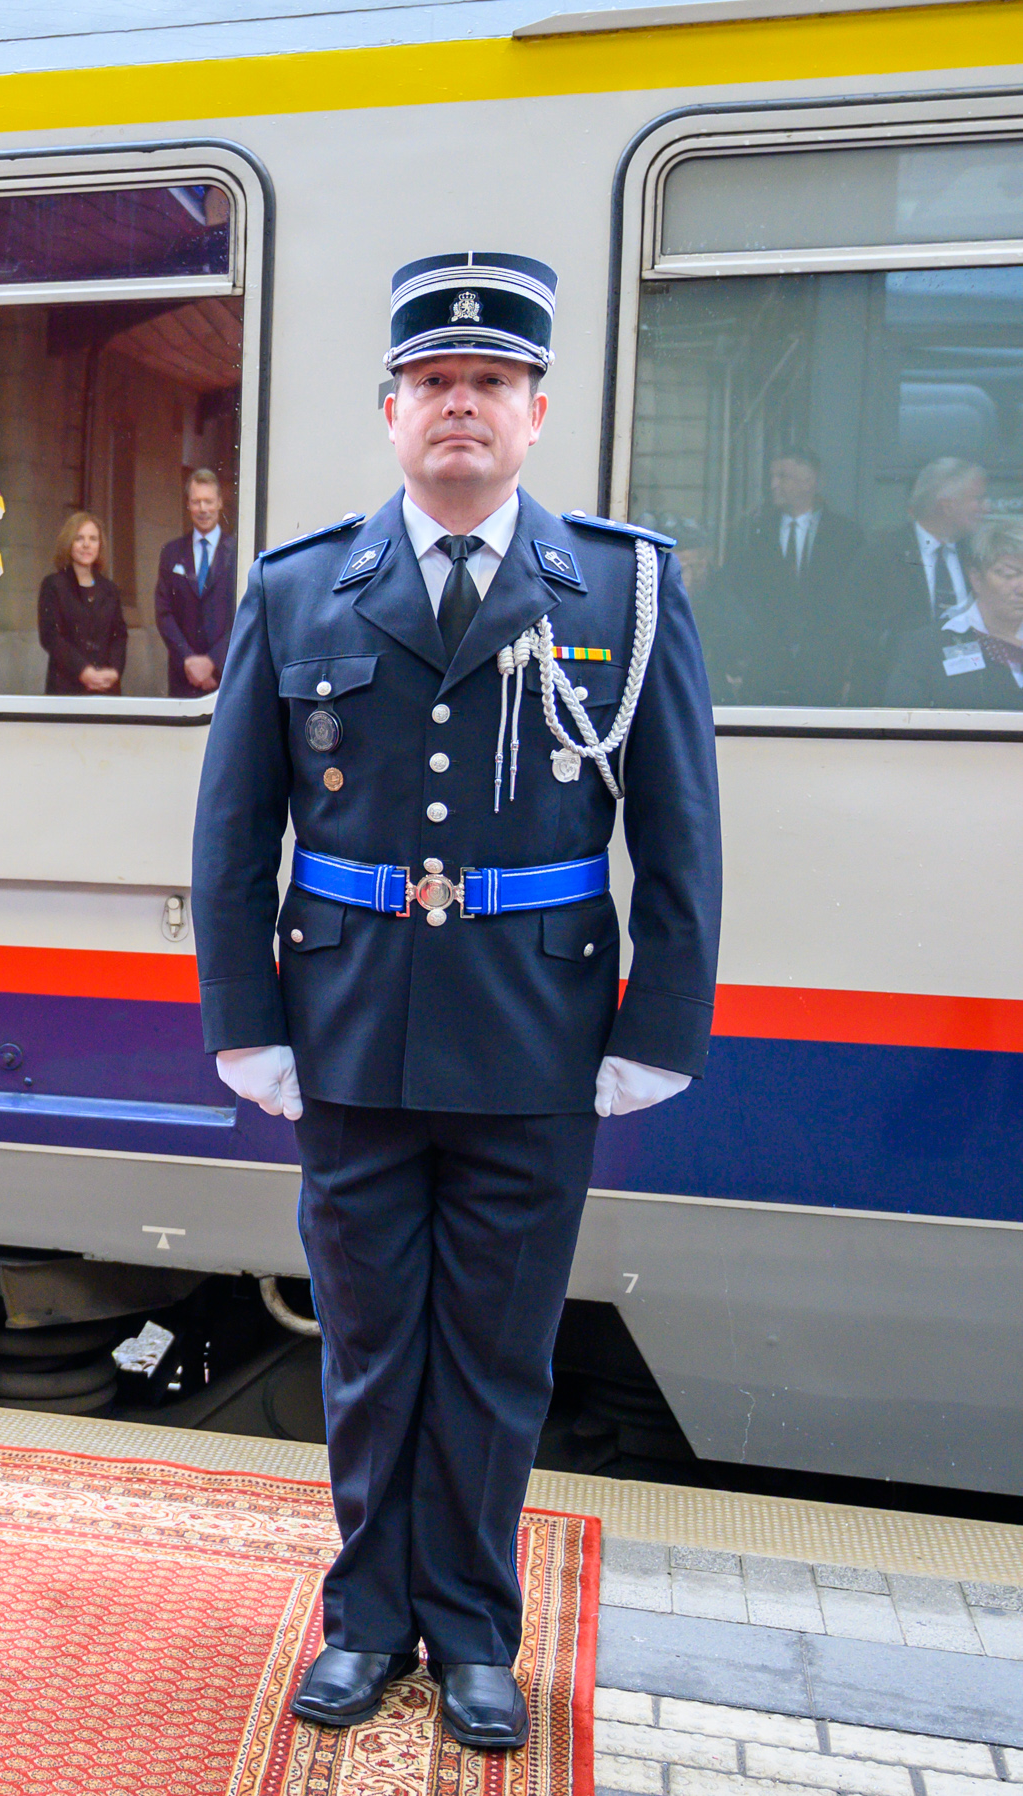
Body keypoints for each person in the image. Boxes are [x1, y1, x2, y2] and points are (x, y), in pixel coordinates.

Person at [191, 252, 721, 1753]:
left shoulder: (622, 583)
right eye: (434, 384)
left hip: (540, 1040)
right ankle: (365, 1620)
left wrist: (655, 1030)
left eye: (490, 384)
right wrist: (250, 1018)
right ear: (391, 413)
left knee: (497, 1353)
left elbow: (678, 827)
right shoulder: (301, 587)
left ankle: (475, 1633)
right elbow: (236, 829)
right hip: (349, 1031)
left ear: (538, 414)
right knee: (367, 1350)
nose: (461, 407)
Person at [705, 452, 865, 706]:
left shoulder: (845, 534)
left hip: (823, 663)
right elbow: (736, 591)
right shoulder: (754, 530)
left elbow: (854, 601)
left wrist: (849, 667)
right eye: (772, 477)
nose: (773, 485)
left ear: (809, 482)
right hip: (764, 662)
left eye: (783, 477)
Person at [886, 517, 1023, 710]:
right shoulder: (926, 646)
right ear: (976, 579)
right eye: (1009, 575)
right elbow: (902, 723)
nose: (1021, 587)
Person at [875, 456, 991, 652]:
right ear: (947, 506)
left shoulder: (982, 554)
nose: (986, 508)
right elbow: (855, 627)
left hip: (969, 676)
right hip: (899, 677)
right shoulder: (882, 554)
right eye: (978, 499)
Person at [155, 468, 239, 696]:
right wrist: (189, 659)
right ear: (188, 505)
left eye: (209, 501)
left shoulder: (238, 552)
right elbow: (164, 612)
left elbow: (244, 613)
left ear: (220, 503)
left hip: (224, 676)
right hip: (184, 676)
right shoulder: (171, 553)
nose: (203, 509)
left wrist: (213, 661)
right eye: (196, 502)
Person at [36, 510, 127, 695]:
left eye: (93, 539)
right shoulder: (54, 585)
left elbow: (119, 636)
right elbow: (50, 636)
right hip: (67, 688)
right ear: (68, 543)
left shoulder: (110, 589)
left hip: (106, 687)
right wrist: (83, 671)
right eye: (79, 538)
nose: (86, 545)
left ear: (100, 545)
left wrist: (114, 671)